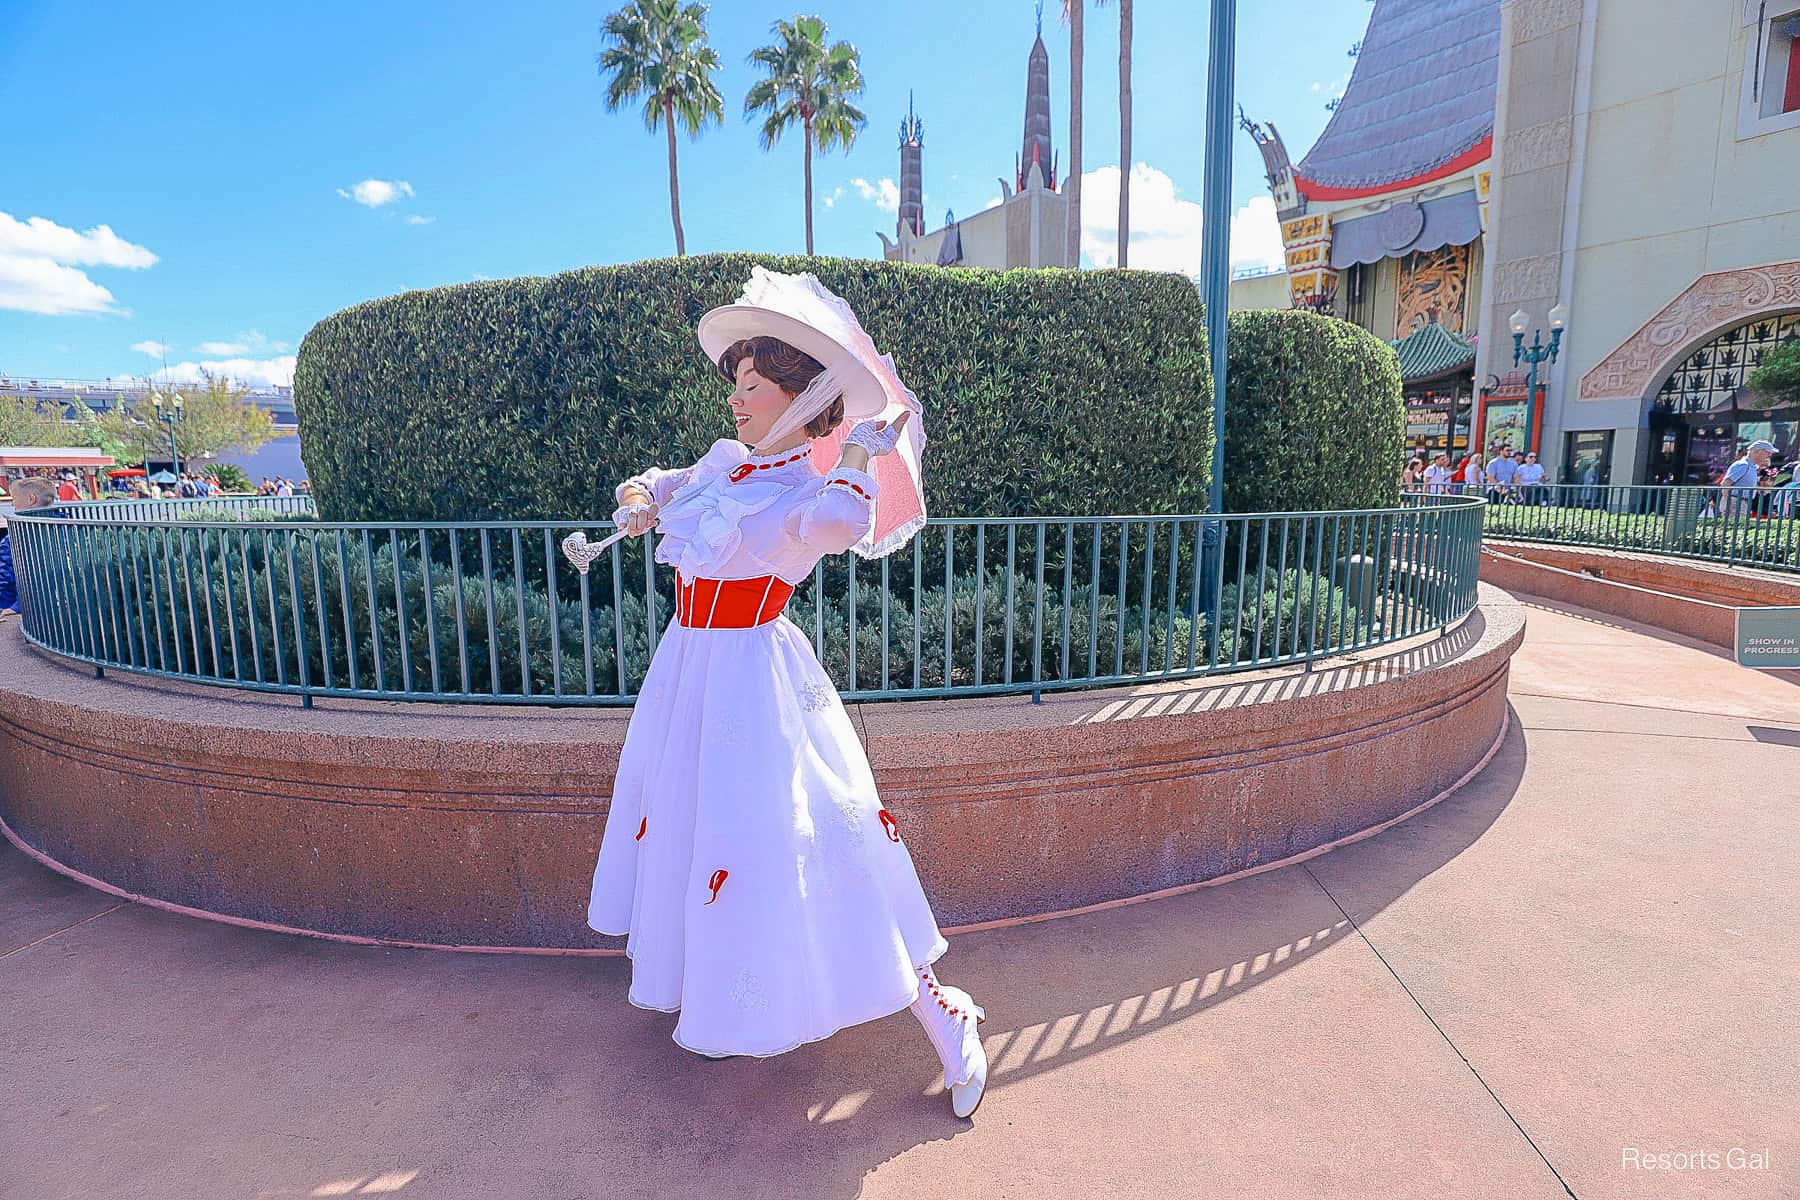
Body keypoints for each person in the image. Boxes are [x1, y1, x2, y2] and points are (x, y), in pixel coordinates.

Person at [586, 266, 990, 1118]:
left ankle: (941, 1009)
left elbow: (845, 527)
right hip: (688, 680)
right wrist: (633, 504)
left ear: (799, 397)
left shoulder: (815, 488)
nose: (737, 400)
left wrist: (850, 450)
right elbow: (651, 483)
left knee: (830, 840)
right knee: (701, 839)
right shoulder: (720, 468)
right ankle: (727, 993)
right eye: (736, 384)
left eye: (754, 385)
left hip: (759, 689)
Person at [0, 477, 56, 619]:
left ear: (31, 499)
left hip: (16, 605)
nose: (13, 504)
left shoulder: (17, 537)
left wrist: (14, 607)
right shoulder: (61, 529)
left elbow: (4, 576)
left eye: (15, 498)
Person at [1719, 440, 1773, 517]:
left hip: (1741, 502)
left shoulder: (1751, 466)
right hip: (1735, 502)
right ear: (1759, 451)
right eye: (1768, 452)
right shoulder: (1743, 465)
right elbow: (1725, 483)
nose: (1770, 455)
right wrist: (1728, 502)